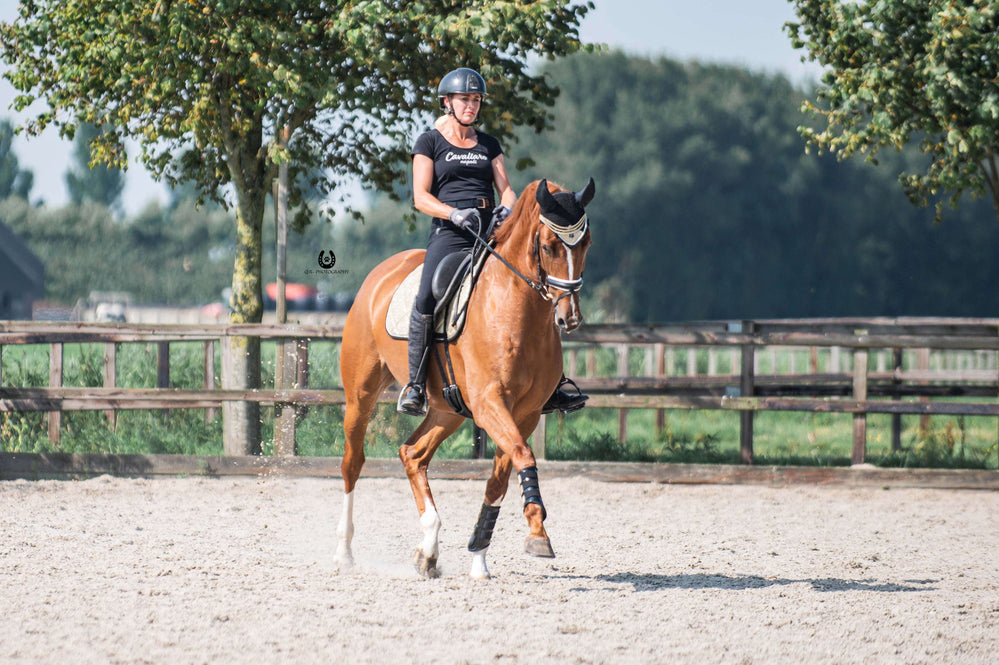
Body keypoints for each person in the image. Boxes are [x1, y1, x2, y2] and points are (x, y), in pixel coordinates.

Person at [397, 67, 587, 417]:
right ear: (447, 102)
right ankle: (415, 385)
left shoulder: (488, 144)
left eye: (475, 99)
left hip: (490, 233)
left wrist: (507, 210)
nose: (470, 105)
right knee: (427, 296)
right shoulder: (429, 142)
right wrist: (453, 213)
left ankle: (553, 383)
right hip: (451, 234)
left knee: (534, 289)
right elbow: (420, 197)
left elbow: (508, 189)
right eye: (464, 99)